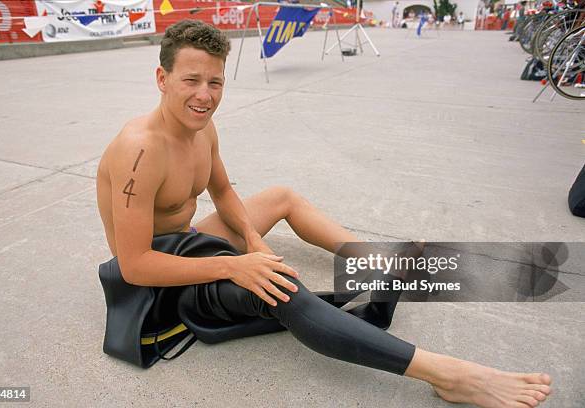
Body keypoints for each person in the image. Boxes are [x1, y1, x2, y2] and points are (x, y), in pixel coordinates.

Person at [96, 19, 553, 408]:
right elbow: (134, 266)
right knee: (276, 290)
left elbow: (223, 192)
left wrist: (256, 243)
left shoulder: (202, 126)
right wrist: (239, 264)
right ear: (162, 78)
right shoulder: (140, 149)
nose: (205, 95)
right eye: (190, 80)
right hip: (158, 282)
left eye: (215, 82)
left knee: (281, 198)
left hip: (186, 240)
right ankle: (444, 373)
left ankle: (372, 260)